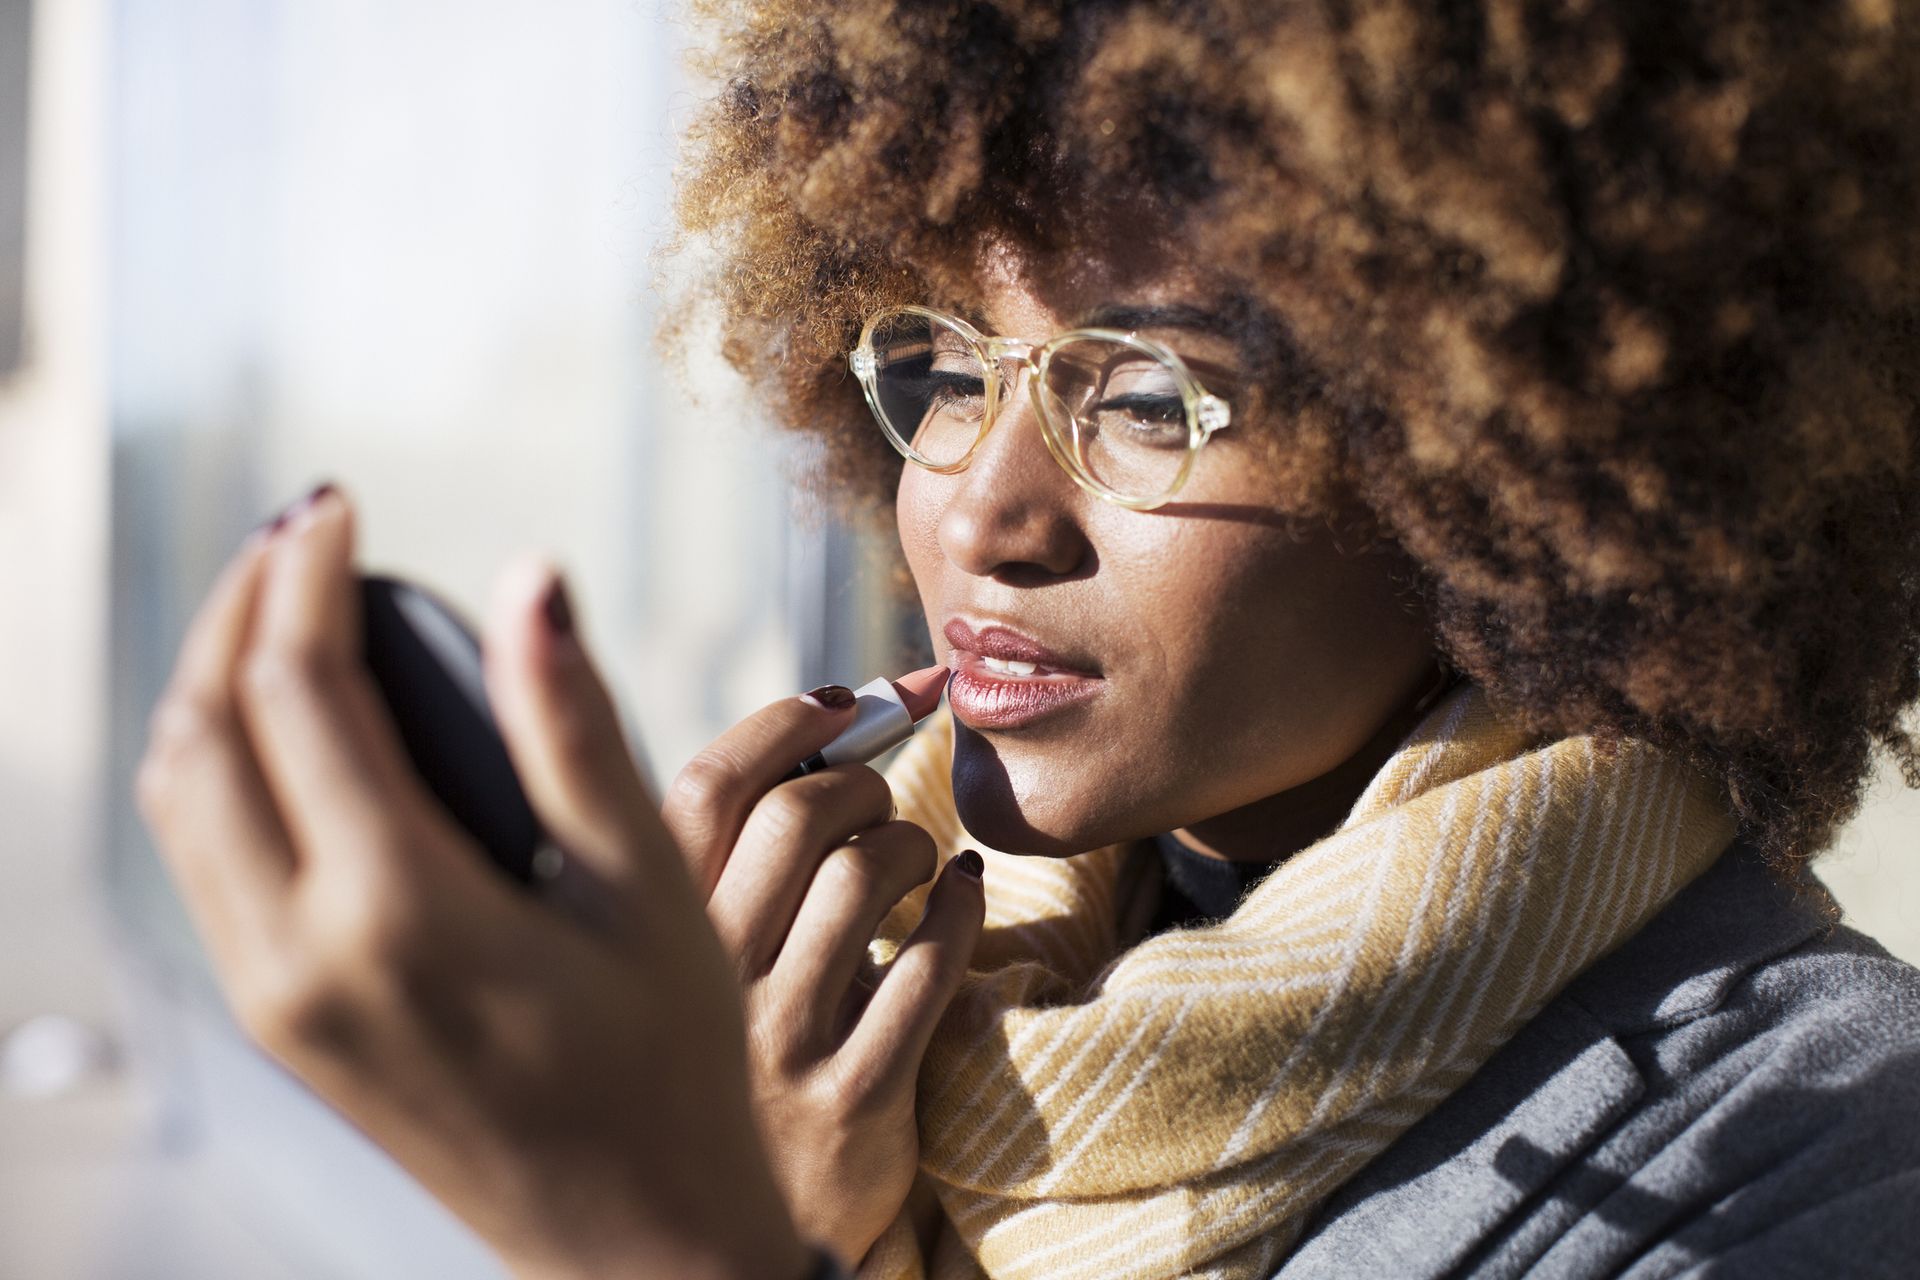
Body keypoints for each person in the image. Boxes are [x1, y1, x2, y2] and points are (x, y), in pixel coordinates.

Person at [135, 1, 1920, 1277]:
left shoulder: (1814, 1148)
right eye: (940, 372)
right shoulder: (882, 1029)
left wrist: (662, 1238)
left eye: (1144, 398)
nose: (980, 513)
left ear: (1513, 475)